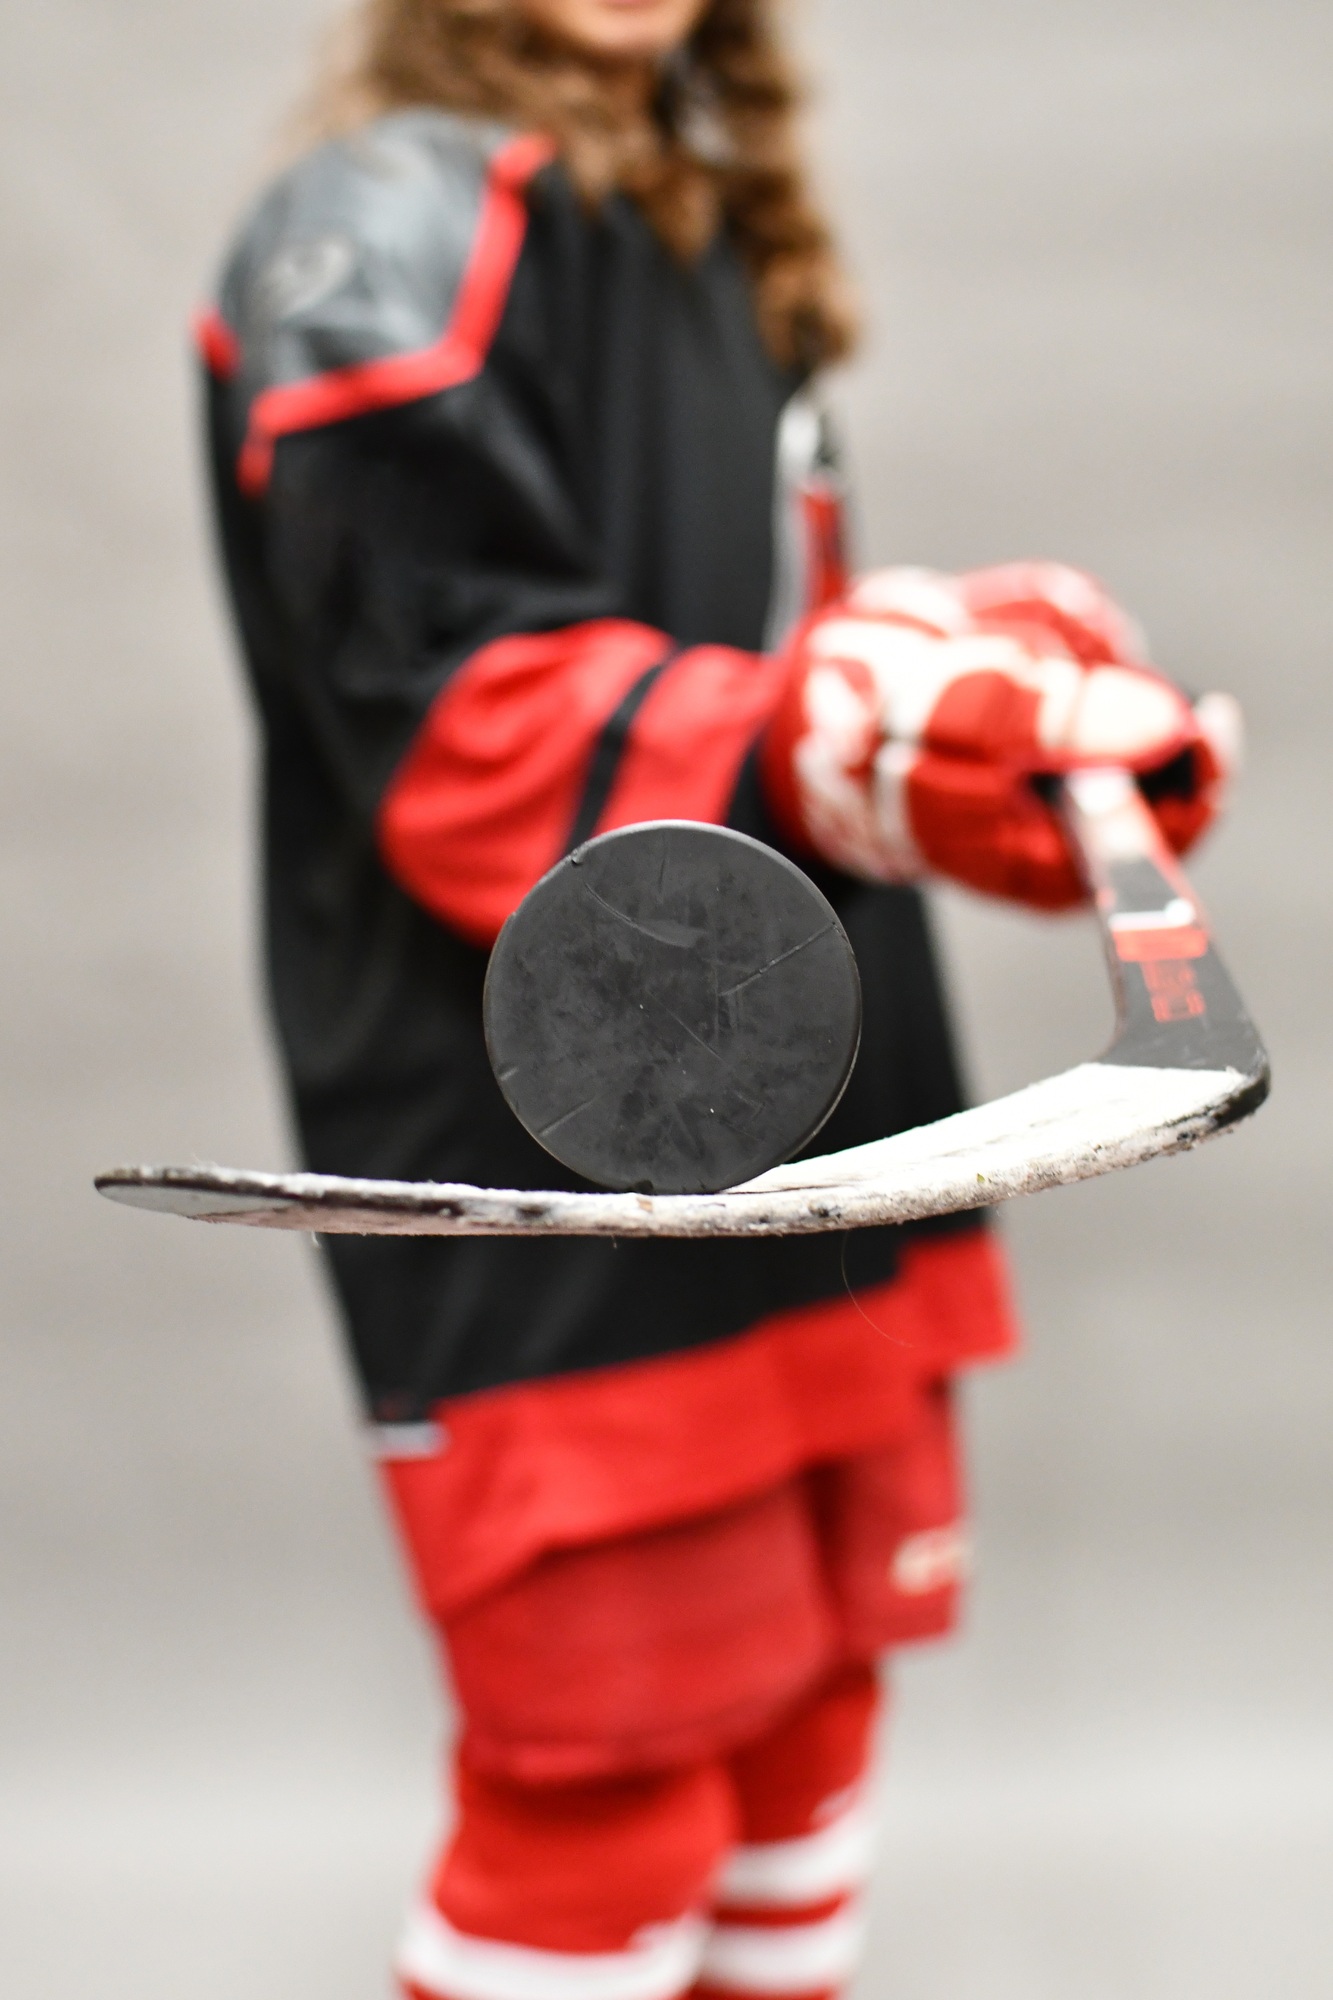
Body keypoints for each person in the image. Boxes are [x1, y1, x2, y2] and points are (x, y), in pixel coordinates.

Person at [198, 2, 1237, 1994]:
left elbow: (756, 644)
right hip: (550, 1143)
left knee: (801, 1751)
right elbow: (457, 724)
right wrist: (854, 730)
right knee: (604, 1807)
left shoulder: (700, 196)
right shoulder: (385, 216)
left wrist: (989, 713)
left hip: (822, 1119)